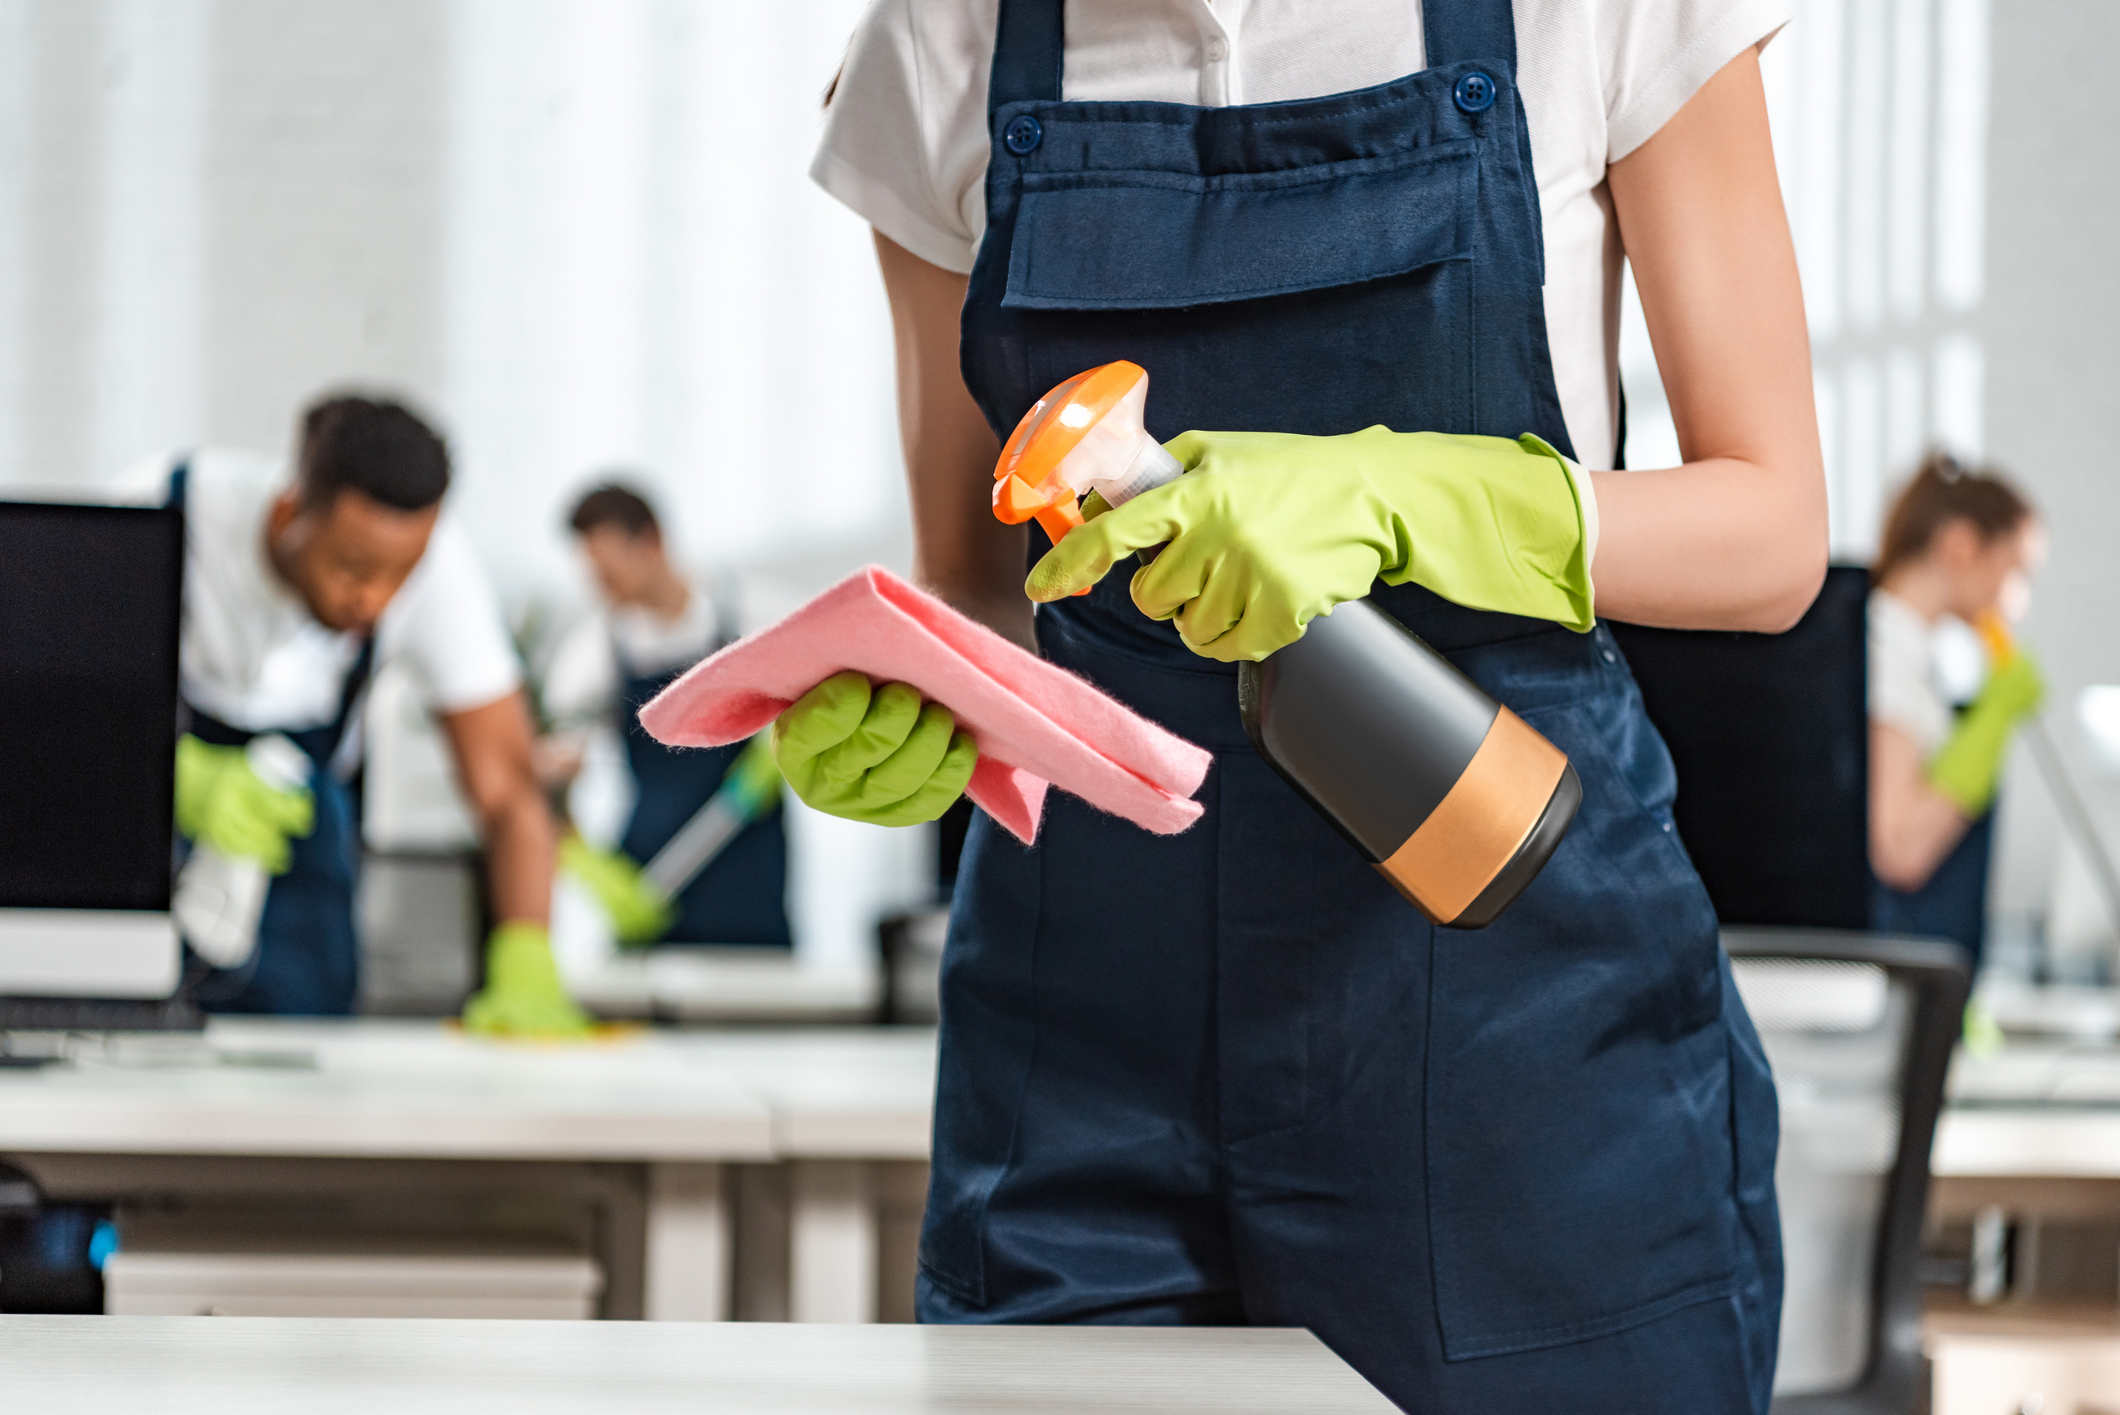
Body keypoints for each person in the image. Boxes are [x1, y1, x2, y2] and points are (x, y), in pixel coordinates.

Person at [791, 2, 1828, 1408]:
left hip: (1509, 1012)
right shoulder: (950, 36)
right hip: (1084, 1025)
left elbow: (1770, 534)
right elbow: (975, 581)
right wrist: (916, 700)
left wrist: (1406, 495)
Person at [121, 394, 586, 1035]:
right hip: (136, 895)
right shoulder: (158, 512)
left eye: (401, 576)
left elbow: (507, 788)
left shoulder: (437, 569)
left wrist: (527, 957)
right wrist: (168, 780)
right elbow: (38, 726)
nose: (374, 599)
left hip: (300, 911)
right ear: (290, 512)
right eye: (352, 567)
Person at [538, 483, 789, 947]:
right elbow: (551, 784)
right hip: (650, 886)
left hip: (751, 881)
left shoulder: (758, 617)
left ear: (651, 543)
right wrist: (591, 869)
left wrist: (784, 750)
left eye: (608, 573)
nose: (601, 589)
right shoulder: (591, 656)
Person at [1868, 453, 2045, 971]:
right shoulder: (1884, 646)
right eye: (2014, 573)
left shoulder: (1915, 655)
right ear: (1961, 546)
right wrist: (1992, 717)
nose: (2016, 603)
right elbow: (1898, 845)